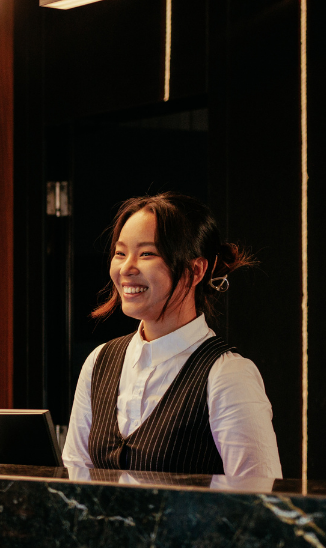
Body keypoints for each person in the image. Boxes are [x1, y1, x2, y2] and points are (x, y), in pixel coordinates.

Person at [63, 192, 282, 479]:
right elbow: (75, 481)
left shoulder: (227, 375)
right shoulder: (99, 362)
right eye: (120, 253)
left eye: (147, 254)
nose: (126, 268)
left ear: (196, 270)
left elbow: (259, 499)